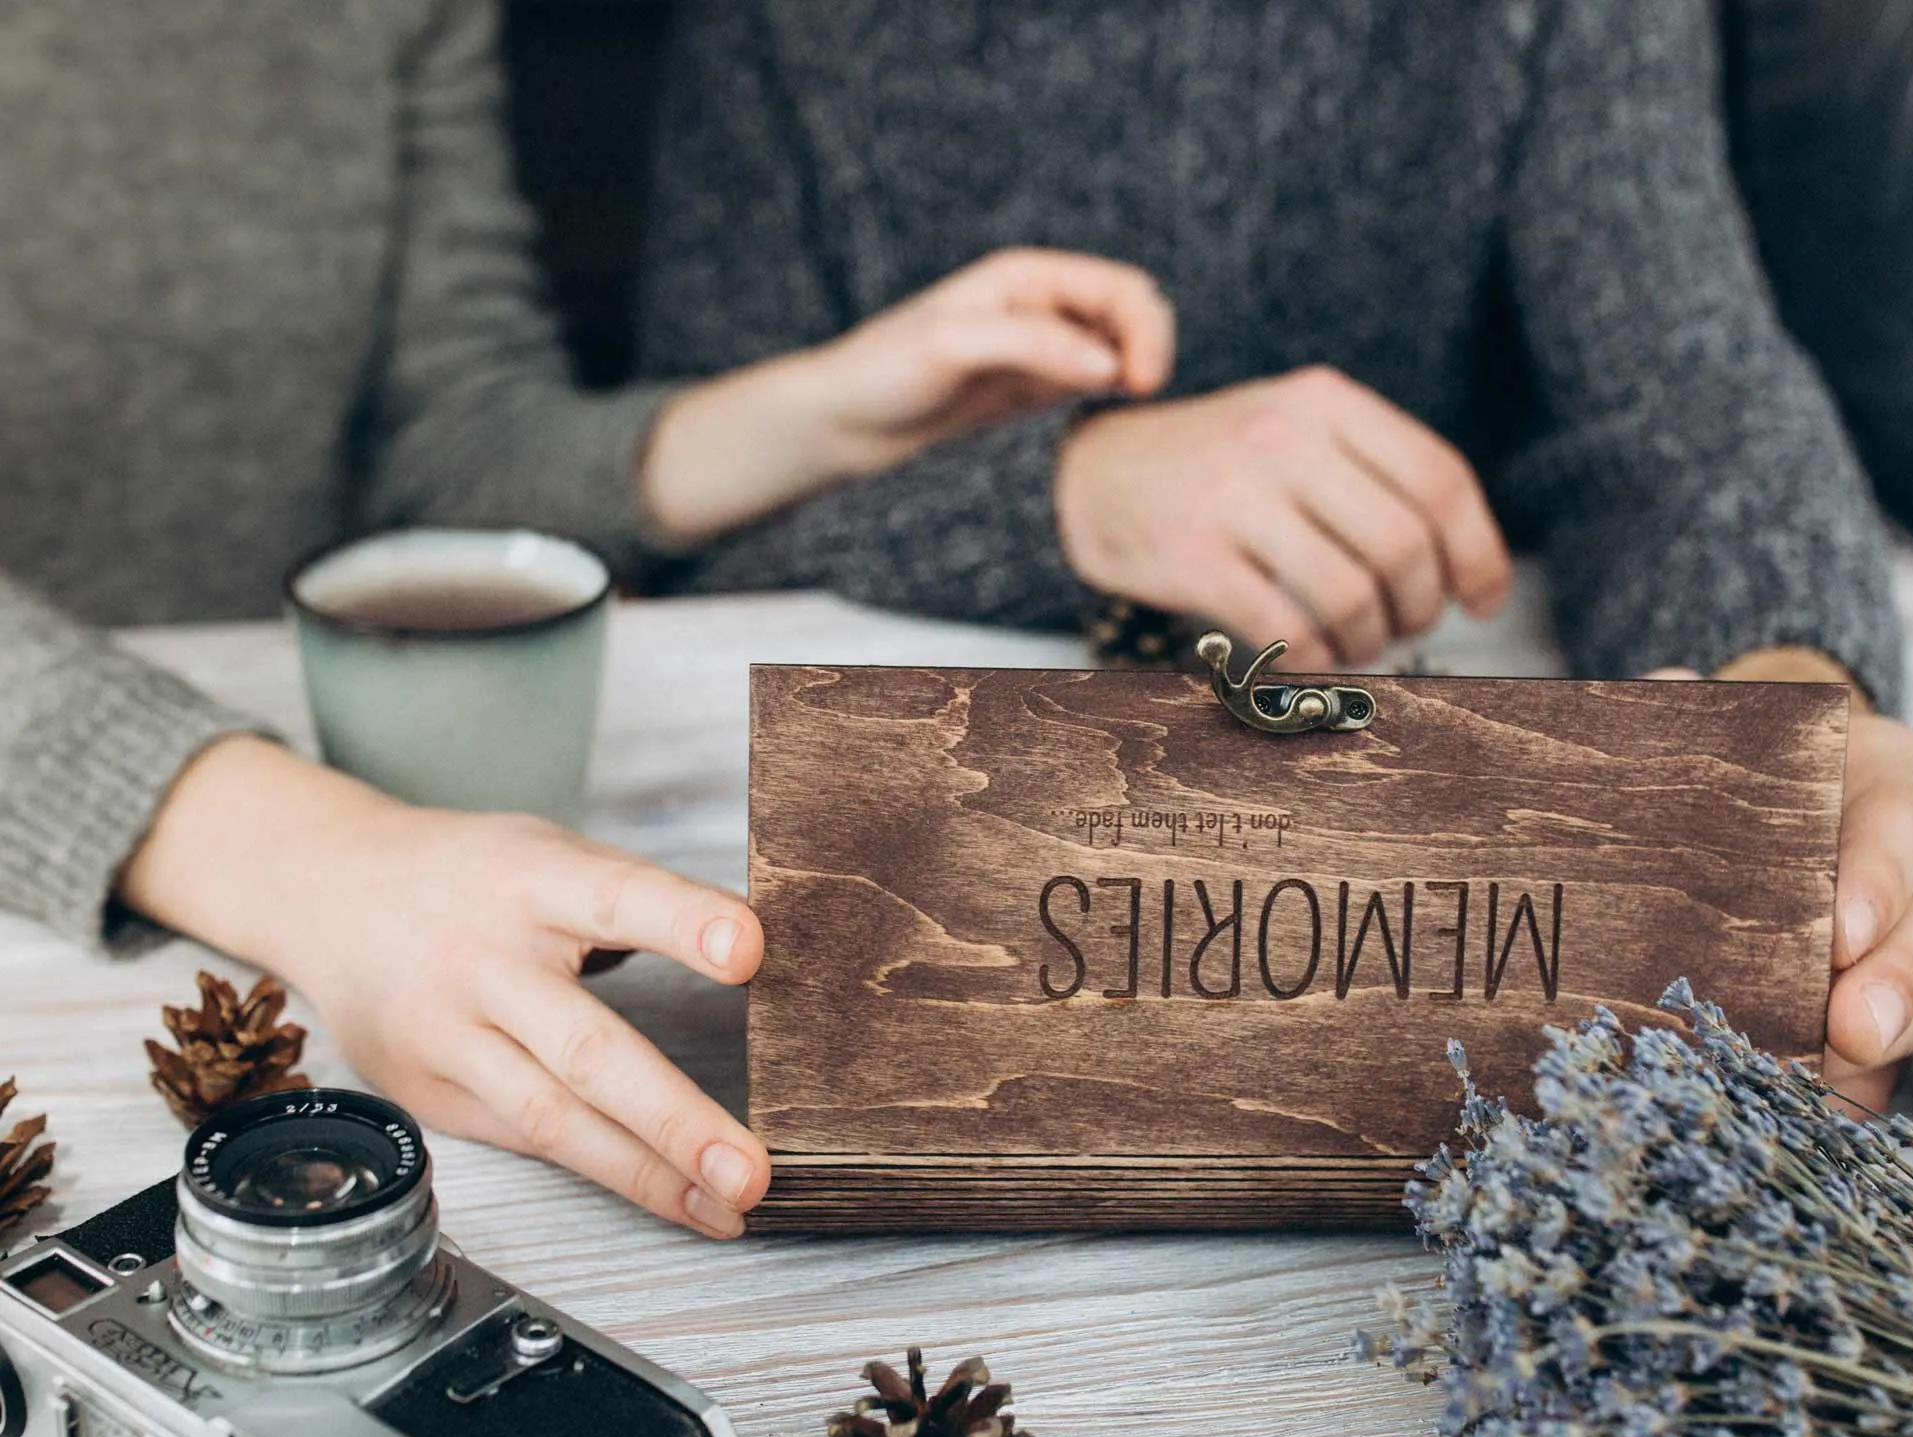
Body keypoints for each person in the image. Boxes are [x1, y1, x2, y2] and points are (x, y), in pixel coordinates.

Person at [639, 0, 1913, 1111]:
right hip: (915, 880)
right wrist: (1061, 491)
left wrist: (1807, 707)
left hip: (1433, 806)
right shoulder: (793, 35)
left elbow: (1683, 397)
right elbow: (683, 496)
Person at [0, 0, 1173, 1239]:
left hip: (368, 870)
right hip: (151, 948)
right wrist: (326, 867)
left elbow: (453, 446)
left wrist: (826, 413)